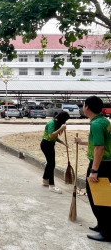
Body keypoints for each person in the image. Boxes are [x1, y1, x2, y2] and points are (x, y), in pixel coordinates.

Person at [74, 96, 111, 242]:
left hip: (101, 165)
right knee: (100, 197)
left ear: (87, 107)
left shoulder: (96, 124)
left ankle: (107, 232)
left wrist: (94, 170)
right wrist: (81, 142)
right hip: (106, 163)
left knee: (99, 199)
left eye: (84, 105)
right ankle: (101, 225)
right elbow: (98, 143)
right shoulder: (103, 121)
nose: (83, 107)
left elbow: (99, 148)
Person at [40, 111, 70, 194]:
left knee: (50, 163)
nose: (65, 122)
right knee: (51, 164)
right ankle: (51, 185)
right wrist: (61, 129)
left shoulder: (57, 123)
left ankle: (45, 180)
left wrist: (63, 143)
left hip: (50, 144)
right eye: (65, 120)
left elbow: (55, 137)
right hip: (46, 144)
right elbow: (50, 135)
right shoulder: (52, 123)